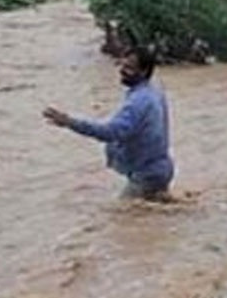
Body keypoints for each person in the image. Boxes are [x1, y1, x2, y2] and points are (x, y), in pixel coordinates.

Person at [43, 46, 174, 200]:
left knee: (122, 218)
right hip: (160, 169)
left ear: (144, 71)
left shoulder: (138, 102)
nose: (122, 71)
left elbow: (110, 132)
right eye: (122, 65)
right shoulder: (154, 91)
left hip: (145, 175)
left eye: (129, 68)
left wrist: (70, 122)